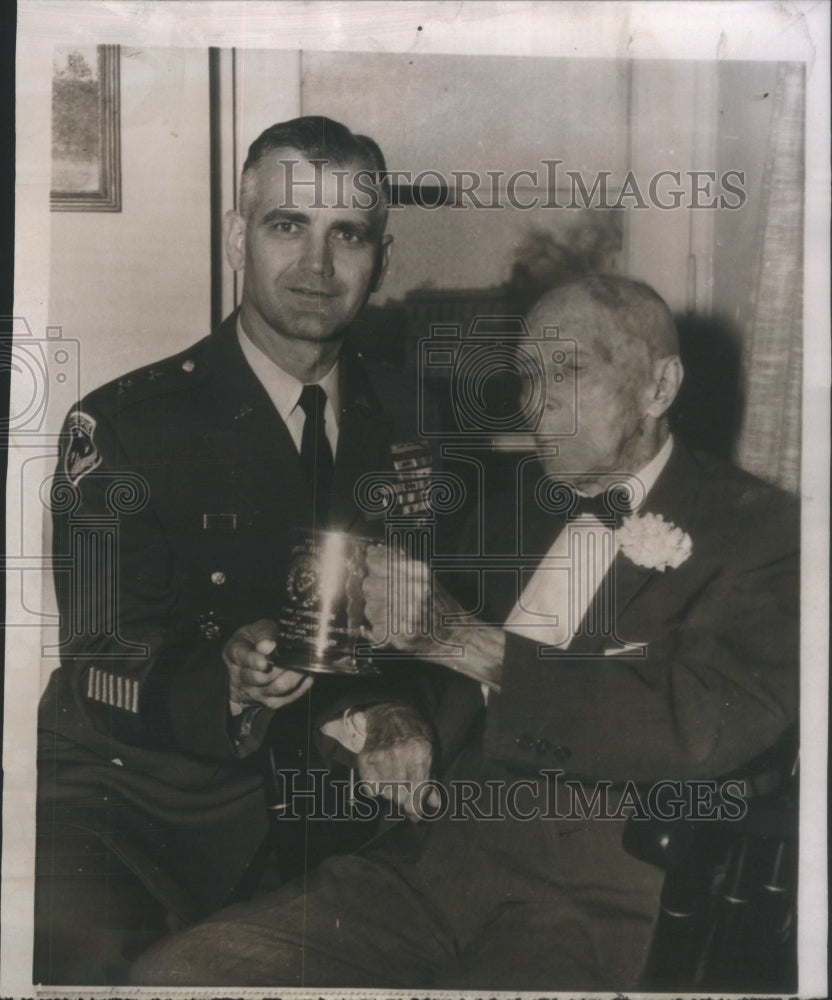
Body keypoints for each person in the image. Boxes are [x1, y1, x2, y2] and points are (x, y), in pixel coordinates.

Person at [130, 275, 799, 991]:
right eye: (528, 376)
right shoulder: (508, 509)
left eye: (569, 371)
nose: (536, 404)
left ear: (659, 387)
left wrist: (463, 639)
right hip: (429, 867)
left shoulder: (765, 532)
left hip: (591, 901)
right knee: (175, 974)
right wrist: (390, 714)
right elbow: (411, 667)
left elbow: (706, 726)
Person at [35, 116, 440, 984]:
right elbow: (102, 660)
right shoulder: (125, 428)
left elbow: (444, 623)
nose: (317, 266)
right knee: (84, 954)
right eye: (287, 225)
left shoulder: (419, 424)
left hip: (333, 804)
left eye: (349, 235)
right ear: (236, 236)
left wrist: (402, 710)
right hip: (144, 805)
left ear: (384, 257)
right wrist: (222, 681)